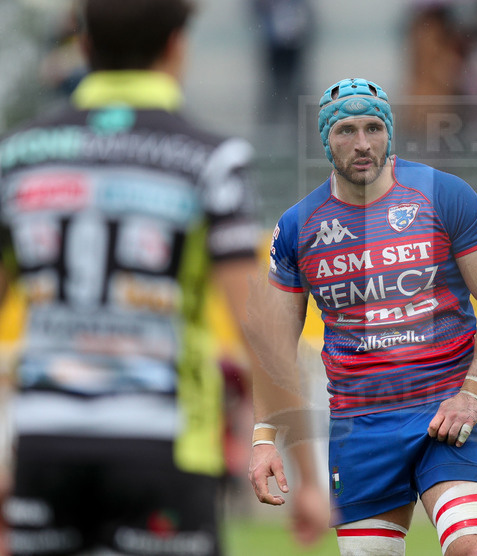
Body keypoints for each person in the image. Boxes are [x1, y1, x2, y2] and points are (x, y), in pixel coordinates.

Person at [0, 1, 327, 554]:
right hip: (161, 444)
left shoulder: (19, 156)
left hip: (44, 442)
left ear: (82, 45)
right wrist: (308, 478)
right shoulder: (209, 159)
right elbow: (260, 330)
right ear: (177, 44)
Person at [248, 77, 477, 556]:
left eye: (373, 128)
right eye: (346, 130)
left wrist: (473, 393)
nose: (362, 144)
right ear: (325, 139)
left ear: (390, 132)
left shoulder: (445, 195)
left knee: (474, 549)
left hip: (445, 412)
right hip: (360, 425)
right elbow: (274, 346)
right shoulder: (297, 227)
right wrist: (264, 438)